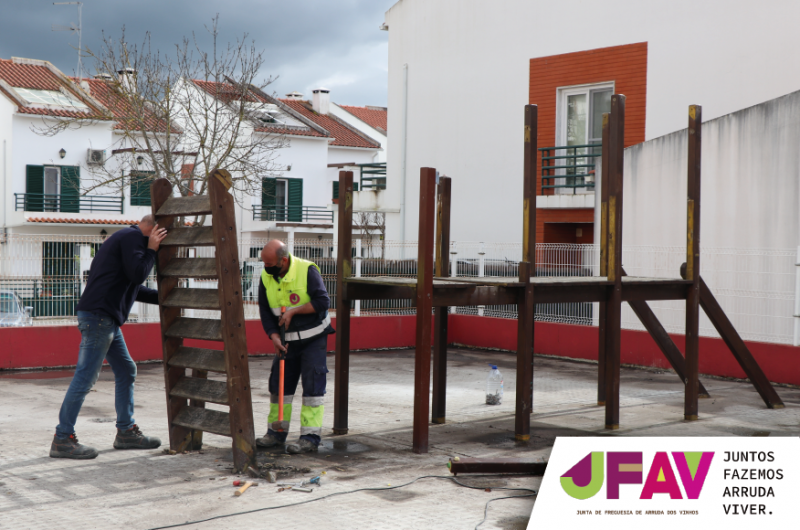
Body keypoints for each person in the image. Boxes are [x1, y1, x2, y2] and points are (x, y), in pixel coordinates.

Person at [50, 214, 168, 459]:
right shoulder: (135, 238)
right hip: (100, 318)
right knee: (85, 378)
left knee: (126, 370)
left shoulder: (125, 239)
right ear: (154, 230)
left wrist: (168, 297)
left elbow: (134, 287)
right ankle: (63, 438)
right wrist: (152, 250)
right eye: (161, 237)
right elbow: (138, 274)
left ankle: (125, 432)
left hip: (104, 319)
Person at [256, 240, 334, 454]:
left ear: (283, 260)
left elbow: (322, 302)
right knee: (279, 385)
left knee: (312, 387)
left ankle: (310, 437)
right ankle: (275, 433)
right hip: (285, 341)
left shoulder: (307, 270)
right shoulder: (266, 276)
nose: (266, 268)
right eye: (264, 263)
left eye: (270, 264)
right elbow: (264, 309)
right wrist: (273, 336)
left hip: (313, 338)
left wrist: (293, 311)